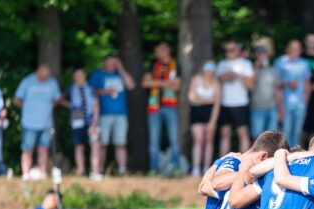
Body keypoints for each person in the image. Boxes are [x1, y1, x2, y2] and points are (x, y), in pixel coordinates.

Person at [89, 54, 135, 176]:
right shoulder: (98, 74)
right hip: (103, 114)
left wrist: (121, 68)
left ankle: (122, 169)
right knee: (102, 144)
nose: (112, 65)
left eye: (115, 63)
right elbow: (90, 90)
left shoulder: (120, 74)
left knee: (120, 143)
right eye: (110, 62)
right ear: (104, 63)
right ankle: (99, 170)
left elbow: (131, 85)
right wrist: (105, 91)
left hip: (121, 114)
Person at [13, 64, 61, 180]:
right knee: (27, 149)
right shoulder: (27, 82)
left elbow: (57, 99)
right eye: (44, 76)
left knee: (43, 148)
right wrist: (28, 108)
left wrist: (47, 106)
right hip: (29, 123)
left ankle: (42, 172)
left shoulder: (52, 83)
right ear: (38, 73)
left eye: (47, 76)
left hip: (46, 123)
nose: (46, 79)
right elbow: (16, 100)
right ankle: (26, 173)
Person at [142, 42, 181, 176]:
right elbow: (145, 83)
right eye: (156, 50)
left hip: (170, 106)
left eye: (160, 50)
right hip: (154, 107)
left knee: (174, 139)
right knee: (154, 140)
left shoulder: (175, 65)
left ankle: (176, 168)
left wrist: (155, 82)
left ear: (167, 50)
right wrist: (166, 83)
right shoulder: (152, 65)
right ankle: (153, 169)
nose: (157, 52)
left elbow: (177, 86)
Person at [217, 41, 254, 155]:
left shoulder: (246, 64)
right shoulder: (222, 64)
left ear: (238, 50)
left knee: (242, 133)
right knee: (224, 134)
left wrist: (238, 75)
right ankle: (223, 161)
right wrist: (224, 77)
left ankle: (244, 161)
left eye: (232, 49)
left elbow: (251, 86)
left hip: (240, 103)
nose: (230, 52)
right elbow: (215, 84)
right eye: (227, 50)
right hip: (224, 103)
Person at [64, 69, 100, 179]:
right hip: (77, 120)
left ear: (85, 76)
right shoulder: (71, 89)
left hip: (91, 121)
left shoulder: (91, 88)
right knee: (79, 146)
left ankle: (95, 171)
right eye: (76, 75)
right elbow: (61, 99)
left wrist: (95, 122)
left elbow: (96, 105)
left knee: (94, 145)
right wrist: (71, 106)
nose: (79, 77)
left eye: (81, 75)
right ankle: (81, 171)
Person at [275, 39, 311, 148]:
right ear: (288, 49)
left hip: (300, 102)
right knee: (286, 131)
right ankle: (285, 152)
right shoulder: (280, 62)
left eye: (298, 48)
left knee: (297, 131)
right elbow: (275, 83)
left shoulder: (304, 63)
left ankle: (296, 152)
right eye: (293, 48)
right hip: (285, 102)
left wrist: (305, 100)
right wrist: (287, 84)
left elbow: (307, 83)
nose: (295, 51)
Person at [188, 61, 221, 177]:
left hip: (210, 114)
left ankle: (207, 168)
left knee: (209, 141)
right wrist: (209, 100)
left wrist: (213, 121)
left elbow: (217, 104)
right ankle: (196, 168)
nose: (209, 70)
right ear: (203, 69)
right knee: (198, 140)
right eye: (207, 67)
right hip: (196, 114)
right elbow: (192, 98)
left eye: (212, 67)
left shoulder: (216, 83)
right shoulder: (195, 80)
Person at [250, 43, 280, 139]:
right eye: (259, 54)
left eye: (264, 53)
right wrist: (256, 68)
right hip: (257, 108)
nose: (262, 56)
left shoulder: (273, 70)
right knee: (257, 137)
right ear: (256, 55)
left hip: (272, 108)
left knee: (272, 137)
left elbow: (277, 91)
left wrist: (280, 110)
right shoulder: (251, 70)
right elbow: (250, 86)